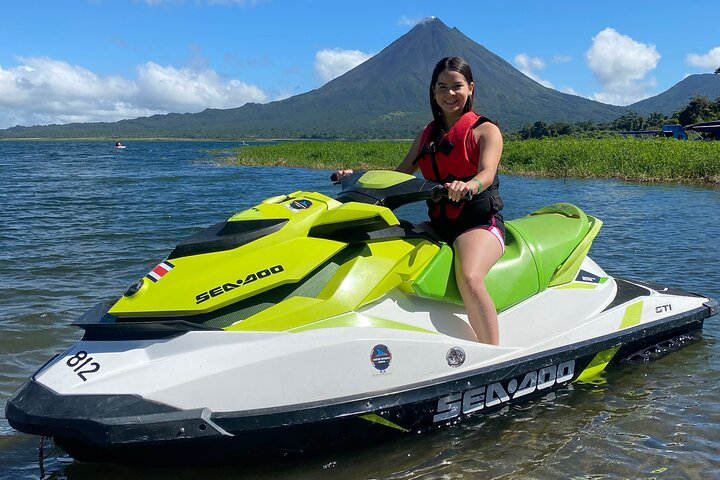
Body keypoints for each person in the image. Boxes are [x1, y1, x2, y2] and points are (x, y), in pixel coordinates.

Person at [336, 56, 505, 345]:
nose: (449, 94)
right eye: (442, 87)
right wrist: (357, 177)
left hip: (477, 224)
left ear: (470, 88)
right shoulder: (427, 135)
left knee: (469, 277)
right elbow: (400, 175)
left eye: (457, 86)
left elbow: (487, 174)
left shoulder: (485, 130)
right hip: (439, 224)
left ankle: (493, 353)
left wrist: (468, 185)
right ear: (433, 91)